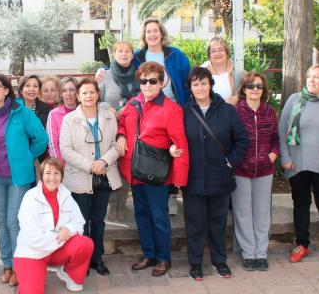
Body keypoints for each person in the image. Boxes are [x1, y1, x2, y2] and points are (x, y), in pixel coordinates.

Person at [116, 62, 189, 277]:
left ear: (161, 82)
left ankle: (163, 258)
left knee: (159, 216)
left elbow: (180, 144)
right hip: (135, 170)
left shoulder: (171, 109)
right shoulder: (132, 104)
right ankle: (149, 254)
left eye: (152, 80)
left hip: (156, 172)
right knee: (141, 215)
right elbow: (121, 123)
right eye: (144, 80)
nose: (147, 85)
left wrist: (180, 178)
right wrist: (120, 134)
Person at [0, 74, 49, 287]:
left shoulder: (21, 112)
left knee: (13, 221)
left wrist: (27, 156)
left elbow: (41, 138)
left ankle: (19, 266)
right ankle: (7, 265)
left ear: (7, 90)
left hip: (18, 177)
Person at [181, 67, 249, 280]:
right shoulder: (183, 112)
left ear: (210, 85)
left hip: (221, 178)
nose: (199, 87)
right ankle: (195, 263)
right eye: (195, 84)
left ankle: (219, 261)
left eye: (203, 83)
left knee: (218, 224)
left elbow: (242, 140)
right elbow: (174, 140)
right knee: (195, 224)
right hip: (193, 179)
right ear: (190, 88)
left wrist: (231, 161)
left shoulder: (227, 111)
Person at [278, 64, 319, 266]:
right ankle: (302, 244)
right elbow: (282, 131)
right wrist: (285, 157)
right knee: (300, 205)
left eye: (317, 77)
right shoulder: (295, 100)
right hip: (297, 163)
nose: (312, 80)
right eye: (309, 77)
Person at [59, 77, 123, 276]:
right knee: (82, 221)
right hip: (79, 178)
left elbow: (115, 145)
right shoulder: (69, 119)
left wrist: (103, 162)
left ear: (98, 95)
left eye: (92, 92)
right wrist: (90, 165)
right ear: (78, 96)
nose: (88, 96)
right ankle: (81, 261)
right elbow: (65, 149)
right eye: (84, 93)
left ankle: (97, 259)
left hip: (104, 176)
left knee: (99, 220)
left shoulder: (109, 117)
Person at [14, 158, 94, 294]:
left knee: (85, 244)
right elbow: (31, 237)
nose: (52, 178)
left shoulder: (66, 195)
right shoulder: (30, 197)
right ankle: (35, 272)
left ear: (61, 176)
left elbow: (79, 222)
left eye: (56, 173)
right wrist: (59, 236)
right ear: (41, 176)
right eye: (48, 173)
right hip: (33, 253)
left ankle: (69, 274)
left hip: (56, 249)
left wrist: (68, 228)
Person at [233, 72, 280, 272]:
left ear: (263, 90)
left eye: (259, 86)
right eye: (251, 86)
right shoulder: (235, 111)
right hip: (240, 170)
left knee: (262, 213)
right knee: (243, 212)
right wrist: (235, 160)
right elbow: (230, 139)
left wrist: (273, 154)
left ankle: (261, 252)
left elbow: (276, 138)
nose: (255, 89)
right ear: (244, 89)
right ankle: (248, 251)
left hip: (264, 169)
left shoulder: (269, 112)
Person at [98, 41, 140, 221]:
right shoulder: (104, 75)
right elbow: (96, 99)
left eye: (128, 51)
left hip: (135, 127)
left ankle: (129, 204)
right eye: (120, 51)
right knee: (114, 165)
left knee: (131, 165)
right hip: (111, 127)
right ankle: (115, 204)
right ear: (113, 54)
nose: (124, 54)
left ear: (133, 54)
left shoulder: (140, 75)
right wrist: (108, 107)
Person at [46, 76, 79, 162]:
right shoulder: (53, 114)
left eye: (72, 90)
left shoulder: (84, 111)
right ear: (60, 94)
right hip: (63, 165)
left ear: (77, 92)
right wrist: (62, 166)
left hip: (84, 165)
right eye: (64, 90)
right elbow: (53, 145)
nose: (68, 93)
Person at [201, 37, 237, 103]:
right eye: (213, 51)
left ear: (227, 53)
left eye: (221, 50)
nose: (217, 53)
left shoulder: (236, 69)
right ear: (209, 55)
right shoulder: (202, 72)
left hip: (230, 111)